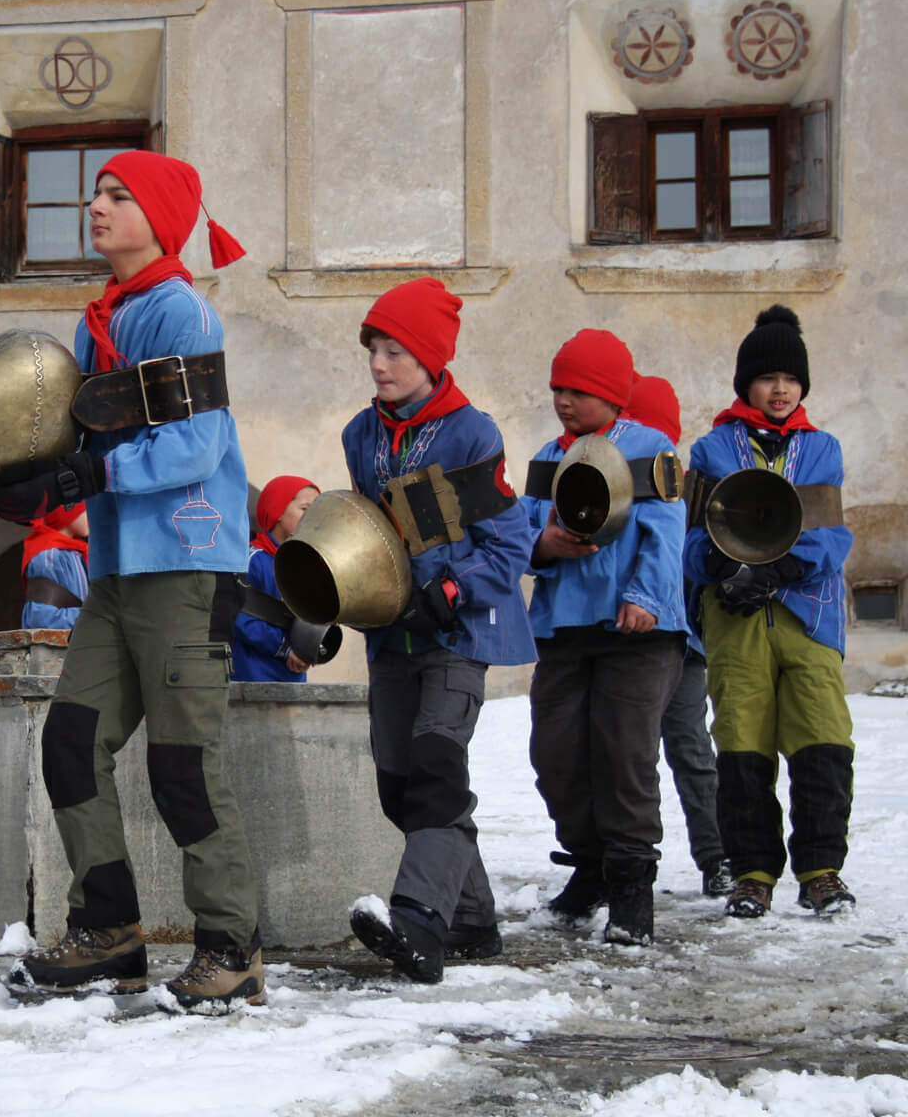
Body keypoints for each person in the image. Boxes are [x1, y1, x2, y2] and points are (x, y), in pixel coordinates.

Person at [0, 150, 263, 1010]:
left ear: (162, 216)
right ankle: (109, 932)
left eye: (118, 194)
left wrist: (84, 480)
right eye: (96, 192)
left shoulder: (183, 313)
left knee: (183, 765)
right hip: (116, 571)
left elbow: (197, 449)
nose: (96, 204)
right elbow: (85, 440)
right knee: (71, 743)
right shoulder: (97, 321)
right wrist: (29, 469)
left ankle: (232, 949)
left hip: (188, 562)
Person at [336, 278, 535, 983]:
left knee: (435, 771)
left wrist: (448, 591)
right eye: (374, 350)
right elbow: (367, 536)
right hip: (392, 637)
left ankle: (421, 923)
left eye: (396, 352)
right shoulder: (361, 436)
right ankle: (475, 921)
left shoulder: (470, 432)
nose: (380, 365)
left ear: (430, 358)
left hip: (460, 633)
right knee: (400, 785)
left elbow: (509, 546)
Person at [683, 306, 855, 920]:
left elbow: (833, 536)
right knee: (741, 746)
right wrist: (728, 573)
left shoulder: (821, 450)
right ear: (745, 384)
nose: (779, 390)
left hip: (807, 613)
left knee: (822, 740)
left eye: (790, 378)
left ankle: (821, 871)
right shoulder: (712, 449)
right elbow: (696, 538)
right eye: (766, 378)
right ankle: (752, 875)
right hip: (736, 617)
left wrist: (778, 568)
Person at [521, 329, 686, 946]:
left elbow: (667, 533)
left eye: (580, 391)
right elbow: (524, 530)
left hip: (637, 633)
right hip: (564, 627)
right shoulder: (547, 457)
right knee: (556, 757)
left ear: (612, 395)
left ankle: (631, 891)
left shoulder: (652, 449)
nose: (565, 401)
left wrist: (645, 597)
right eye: (559, 388)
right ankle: (588, 865)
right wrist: (543, 545)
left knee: (623, 757)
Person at [624, 374, 734, 898]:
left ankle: (717, 857)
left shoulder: (689, 489)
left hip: (683, 645)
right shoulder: (606, 486)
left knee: (690, 749)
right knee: (629, 756)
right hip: (623, 645)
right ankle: (622, 865)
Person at [231, 475, 319, 682]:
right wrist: (285, 649)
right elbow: (241, 617)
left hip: (293, 672)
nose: (313, 517)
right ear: (278, 510)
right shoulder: (253, 561)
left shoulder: (308, 566)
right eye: (305, 509)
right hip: (253, 672)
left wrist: (308, 648)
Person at [21, 503, 90, 630]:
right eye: (86, 509)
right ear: (68, 512)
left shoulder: (77, 553)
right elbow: (42, 619)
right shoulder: (48, 557)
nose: (91, 515)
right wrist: (96, 618)